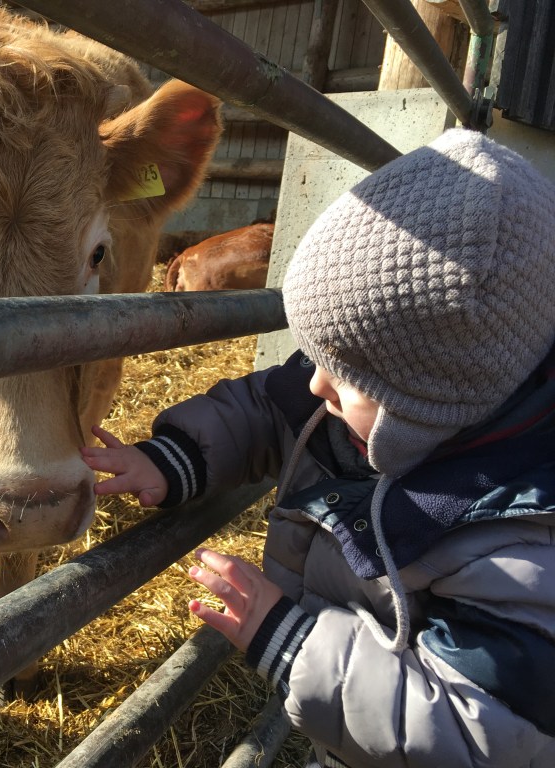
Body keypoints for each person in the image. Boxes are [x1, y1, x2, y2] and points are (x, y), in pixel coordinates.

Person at [81, 129, 555, 767]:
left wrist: (291, 639)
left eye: (348, 371)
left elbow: (474, 735)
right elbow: (265, 408)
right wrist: (173, 459)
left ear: (436, 395)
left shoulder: (521, 542)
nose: (315, 382)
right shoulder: (382, 402)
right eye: (315, 353)